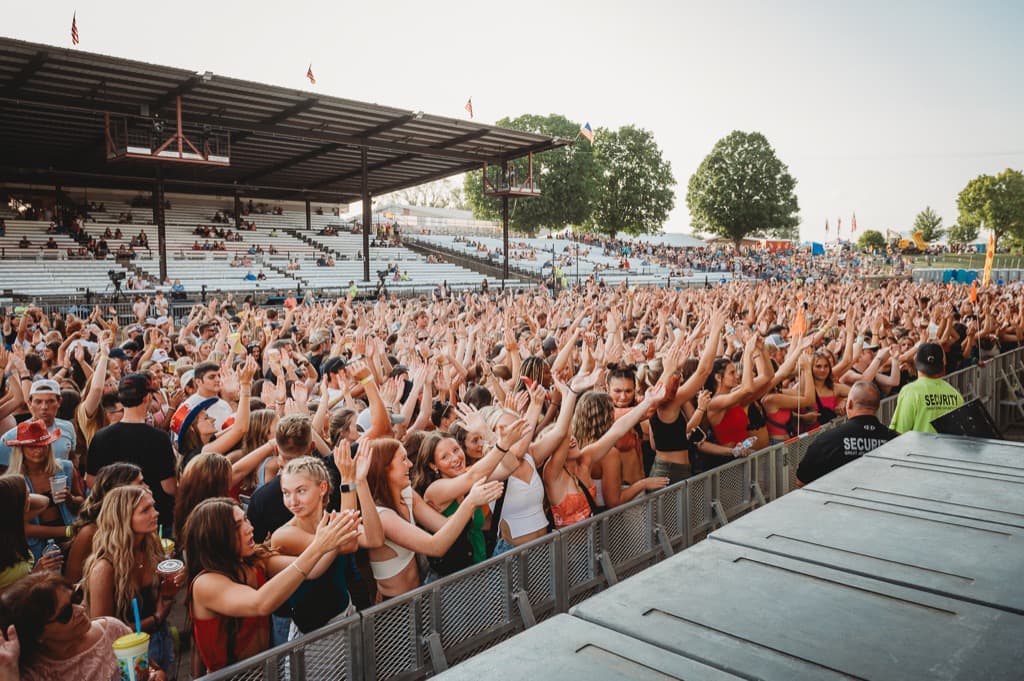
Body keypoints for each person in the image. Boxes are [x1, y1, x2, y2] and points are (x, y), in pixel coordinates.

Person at [184, 497, 359, 674]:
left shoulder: (255, 560)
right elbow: (261, 603)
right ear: (216, 537)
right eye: (237, 526)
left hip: (266, 669)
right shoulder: (205, 583)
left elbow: (313, 569)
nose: (249, 528)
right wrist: (318, 546)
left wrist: (334, 538)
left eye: (245, 519)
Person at [364, 438, 503, 599]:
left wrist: (463, 508)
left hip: (419, 593)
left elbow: (443, 527)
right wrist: (469, 503)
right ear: (385, 469)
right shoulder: (383, 516)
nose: (410, 464)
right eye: (403, 459)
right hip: (396, 607)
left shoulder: (407, 494)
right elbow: (436, 547)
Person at [270, 447, 382, 638]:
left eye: (301, 491)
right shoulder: (284, 535)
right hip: (314, 635)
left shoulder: (333, 520)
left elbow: (374, 538)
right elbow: (347, 544)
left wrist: (360, 482)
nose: (293, 501)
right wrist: (347, 481)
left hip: (345, 617)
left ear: (322, 488)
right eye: (286, 493)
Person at [81, 486, 179, 671]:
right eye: (145, 510)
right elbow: (105, 631)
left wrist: (169, 589)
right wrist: (155, 618)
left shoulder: (152, 547)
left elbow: (162, 597)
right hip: (128, 653)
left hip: (161, 637)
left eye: (153, 507)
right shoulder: (105, 568)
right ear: (123, 518)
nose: (155, 513)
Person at [0, 572, 166, 681]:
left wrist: (155, 675)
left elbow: (152, 669)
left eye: (76, 598)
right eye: (65, 613)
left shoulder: (113, 630)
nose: (80, 610)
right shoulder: (35, 673)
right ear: (38, 634)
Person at [86, 374, 177, 536]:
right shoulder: (159, 438)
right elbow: (169, 487)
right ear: (147, 398)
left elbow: (91, 482)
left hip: (115, 520)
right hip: (153, 519)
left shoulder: (100, 437)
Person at [3, 420, 84, 560]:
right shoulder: (14, 481)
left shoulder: (65, 468)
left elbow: (82, 501)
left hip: (70, 540)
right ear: (20, 449)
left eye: (42, 446)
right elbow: (22, 527)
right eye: (32, 447)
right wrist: (68, 531)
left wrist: (70, 499)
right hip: (34, 546)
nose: (38, 451)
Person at [797, 381, 899, 485]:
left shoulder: (826, 440)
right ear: (877, 406)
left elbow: (801, 481)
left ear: (849, 404)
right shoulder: (895, 440)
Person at [65, 463, 145, 584]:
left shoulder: (136, 522)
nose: (147, 488)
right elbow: (71, 581)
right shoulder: (90, 532)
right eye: (140, 484)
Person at [0, 478, 61, 593]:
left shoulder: (12, 524)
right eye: (27, 495)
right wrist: (34, 575)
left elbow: (44, 502)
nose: (30, 498)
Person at [0, 380, 76, 472]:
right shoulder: (11, 436)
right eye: (38, 401)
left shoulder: (68, 427)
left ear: (59, 402)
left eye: (50, 401)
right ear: (30, 403)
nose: (44, 407)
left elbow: (72, 457)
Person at [889, 342, 965, 434]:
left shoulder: (910, 391)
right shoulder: (955, 394)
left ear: (916, 361)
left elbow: (900, 431)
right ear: (941, 365)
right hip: (946, 448)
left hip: (918, 448)